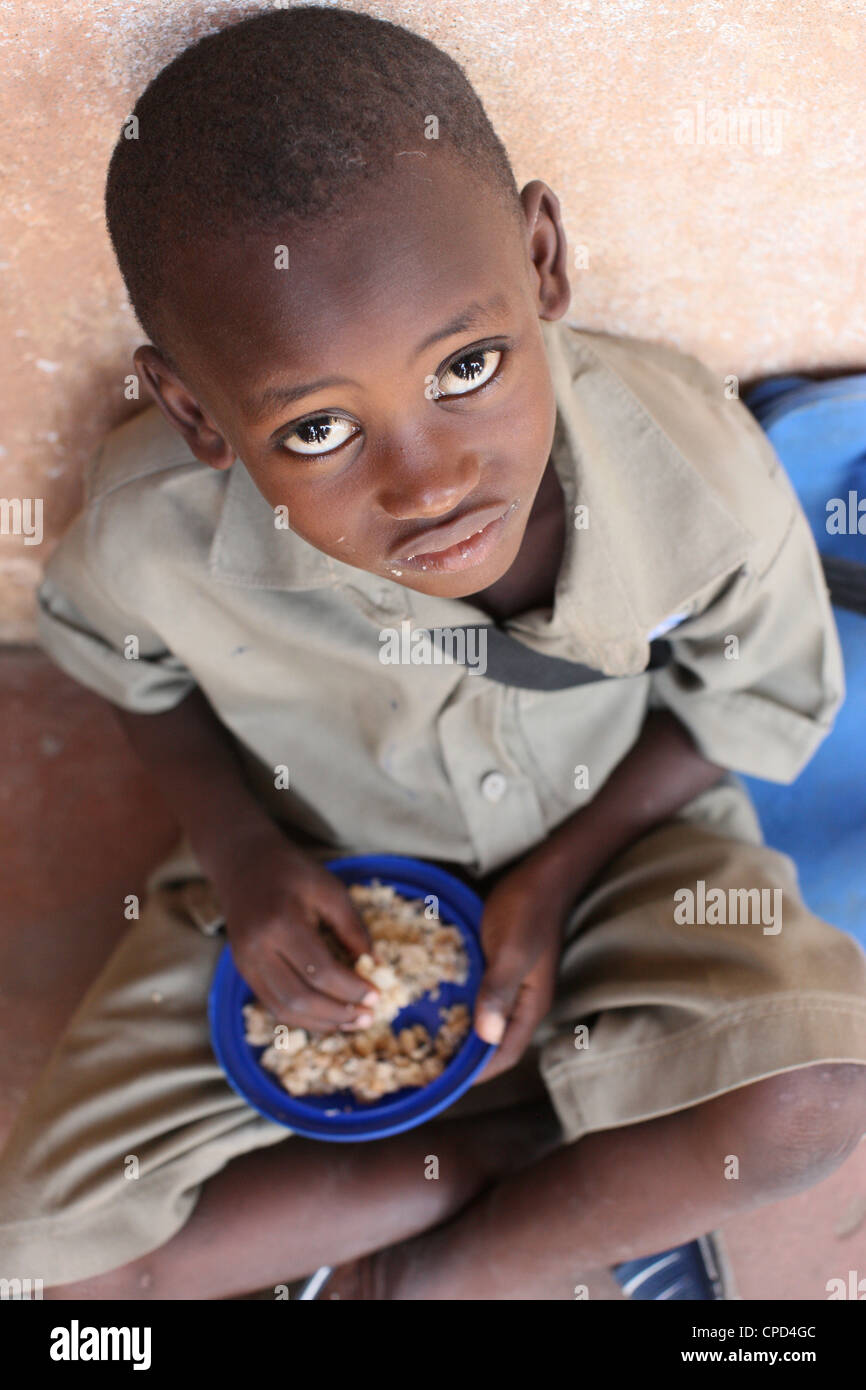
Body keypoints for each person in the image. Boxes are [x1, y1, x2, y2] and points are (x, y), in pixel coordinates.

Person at [2, 6, 865, 1301]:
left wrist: (558, 877)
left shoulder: (682, 457)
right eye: (314, 431)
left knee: (805, 1101)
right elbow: (132, 671)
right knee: (82, 1281)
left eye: (466, 364)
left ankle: (423, 1277)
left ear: (541, 261)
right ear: (195, 410)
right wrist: (244, 855)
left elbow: (753, 695)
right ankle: (496, 1155)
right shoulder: (156, 531)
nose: (430, 479)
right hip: (322, 872)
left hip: (624, 851)